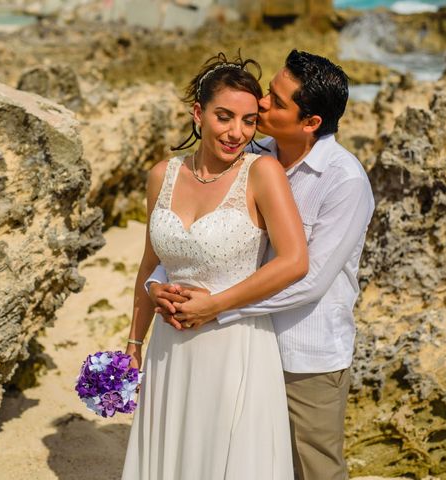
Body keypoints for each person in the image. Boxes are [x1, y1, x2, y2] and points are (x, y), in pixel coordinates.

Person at [149, 50, 375, 480]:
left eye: (276, 99)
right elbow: (197, 242)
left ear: (310, 123)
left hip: (303, 353)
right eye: (269, 90)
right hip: (239, 343)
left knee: (314, 468)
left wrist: (217, 307)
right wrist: (164, 288)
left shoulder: (344, 182)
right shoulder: (249, 154)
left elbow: (308, 281)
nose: (263, 103)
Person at [120, 53, 308, 480]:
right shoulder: (161, 176)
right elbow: (151, 262)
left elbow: (295, 260)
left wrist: (215, 305)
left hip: (233, 343)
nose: (236, 132)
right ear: (198, 113)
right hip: (170, 348)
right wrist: (135, 341)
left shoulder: (262, 172)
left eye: (248, 121)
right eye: (224, 117)